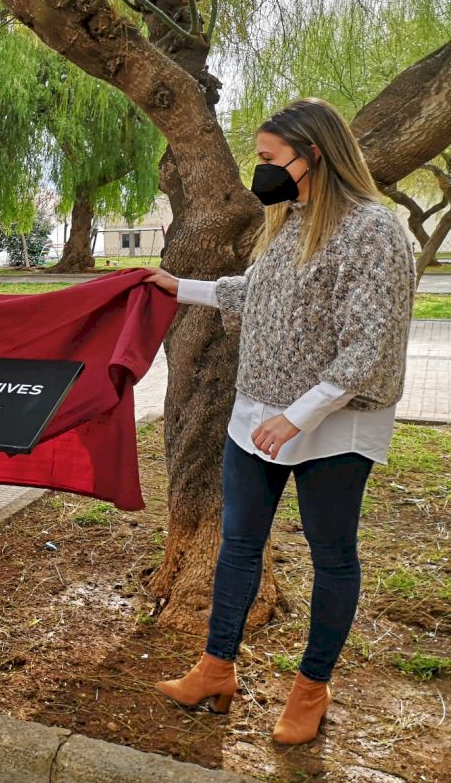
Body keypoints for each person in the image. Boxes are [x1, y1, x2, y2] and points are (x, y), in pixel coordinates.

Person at [148, 98, 414, 746]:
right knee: (238, 544)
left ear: (313, 154)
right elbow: (256, 294)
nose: (260, 172)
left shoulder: (374, 230)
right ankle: (216, 669)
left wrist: (299, 417)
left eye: (269, 158)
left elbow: (371, 342)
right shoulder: (290, 222)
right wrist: (179, 287)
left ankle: (311, 689)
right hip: (256, 415)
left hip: (335, 424)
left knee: (332, 555)